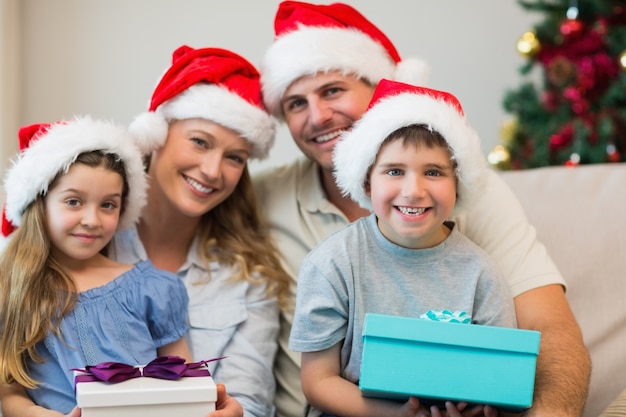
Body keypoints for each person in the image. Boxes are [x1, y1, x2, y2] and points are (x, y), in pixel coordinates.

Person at [253, 2, 591, 417]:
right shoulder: (267, 204)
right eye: (295, 103)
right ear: (365, 180)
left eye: (333, 90)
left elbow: (540, 333)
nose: (318, 116)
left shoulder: (479, 251)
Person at [1, 46, 291, 417]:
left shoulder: (247, 276)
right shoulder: (27, 272)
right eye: (199, 141)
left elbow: (245, 399)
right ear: (156, 137)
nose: (213, 170)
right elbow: (9, 389)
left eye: (235, 157)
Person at [291, 79, 518, 417]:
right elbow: (318, 381)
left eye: (434, 172)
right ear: (368, 180)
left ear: (459, 183)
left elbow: (500, 380)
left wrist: (480, 408)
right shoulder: (332, 263)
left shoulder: (481, 273)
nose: (413, 190)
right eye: (394, 171)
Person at [0, 116, 192, 414]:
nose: (92, 220)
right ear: (40, 203)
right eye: (74, 202)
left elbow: (185, 383)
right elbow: (10, 395)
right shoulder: (13, 289)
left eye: (108, 205)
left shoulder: (151, 289)